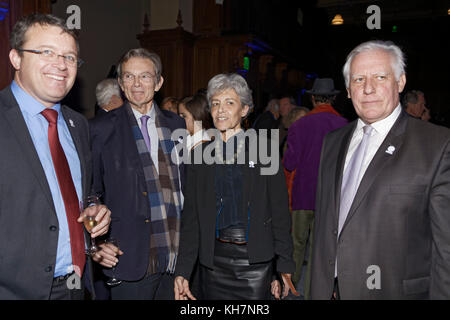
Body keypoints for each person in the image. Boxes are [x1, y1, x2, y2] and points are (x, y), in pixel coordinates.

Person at [310, 40, 450, 299]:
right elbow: (324, 228)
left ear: (400, 82)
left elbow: (446, 249)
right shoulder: (333, 142)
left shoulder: (437, 145)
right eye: (359, 79)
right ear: (349, 90)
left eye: (380, 77)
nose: (368, 88)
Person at [0, 13, 111, 300]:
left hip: (75, 286)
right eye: (47, 52)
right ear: (15, 58)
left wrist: (94, 208)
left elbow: (84, 193)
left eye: (70, 57)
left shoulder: (78, 125)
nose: (61, 65)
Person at [174, 73, 296, 300]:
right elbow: (191, 219)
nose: (221, 110)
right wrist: (182, 271)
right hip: (212, 262)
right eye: (216, 104)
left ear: (244, 110)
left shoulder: (265, 151)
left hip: (254, 263)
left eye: (230, 103)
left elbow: (280, 212)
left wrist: (284, 264)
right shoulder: (199, 156)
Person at [90, 48, 185, 300]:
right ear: (121, 83)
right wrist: (97, 245)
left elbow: (186, 186)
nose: (137, 84)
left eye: (144, 76)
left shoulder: (177, 125)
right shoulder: (101, 129)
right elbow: (90, 193)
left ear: (158, 81)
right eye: (129, 77)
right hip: (129, 256)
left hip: (176, 257)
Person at [283, 78, 347, 299]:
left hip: (302, 196)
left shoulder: (299, 125)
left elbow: (289, 162)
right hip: (329, 200)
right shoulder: (345, 126)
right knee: (318, 251)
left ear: (312, 97)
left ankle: (290, 291)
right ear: (334, 98)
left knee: (296, 247)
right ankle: (313, 294)